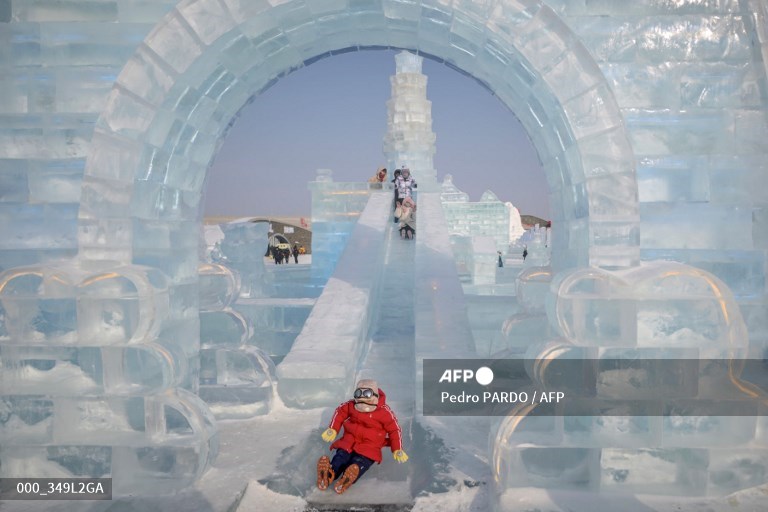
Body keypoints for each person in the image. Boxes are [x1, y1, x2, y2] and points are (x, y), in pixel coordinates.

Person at [317, 379, 409, 494]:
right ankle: (329, 474)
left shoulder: (384, 412)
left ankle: (348, 478)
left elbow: (394, 429)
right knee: (341, 456)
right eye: (358, 393)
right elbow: (340, 412)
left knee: (360, 462)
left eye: (367, 394)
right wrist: (333, 429)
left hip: (369, 446)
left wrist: (397, 449)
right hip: (349, 441)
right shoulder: (352, 405)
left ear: (375, 395)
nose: (362, 398)